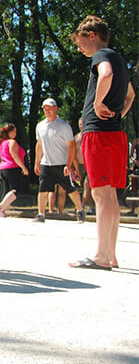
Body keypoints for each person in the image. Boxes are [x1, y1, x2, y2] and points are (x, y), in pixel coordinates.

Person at [69, 15, 135, 270]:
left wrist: (97, 104)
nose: (79, 47)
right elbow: (130, 95)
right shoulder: (120, 58)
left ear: (92, 35)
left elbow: (104, 75)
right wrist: (119, 113)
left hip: (99, 134)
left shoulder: (102, 56)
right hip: (116, 134)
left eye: (80, 41)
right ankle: (111, 254)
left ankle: (101, 256)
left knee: (100, 194)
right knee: (110, 197)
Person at [33, 98, 86, 223]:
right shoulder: (40, 126)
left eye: (50, 108)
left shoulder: (64, 126)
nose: (48, 111)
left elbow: (71, 146)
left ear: (56, 108)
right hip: (46, 164)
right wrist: (37, 162)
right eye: (45, 108)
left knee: (70, 189)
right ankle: (41, 214)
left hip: (62, 164)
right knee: (43, 189)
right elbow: (39, 145)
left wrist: (69, 165)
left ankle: (80, 210)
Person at [0, 123, 28, 217]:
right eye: (14, 131)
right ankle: (1, 207)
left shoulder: (2, 143)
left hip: (3, 168)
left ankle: (4, 209)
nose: (15, 133)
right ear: (10, 132)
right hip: (12, 168)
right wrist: (23, 167)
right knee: (16, 189)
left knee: (7, 190)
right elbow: (15, 156)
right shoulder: (11, 142)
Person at [74, 117, 94, 214]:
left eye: (83, 124)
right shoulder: (76, 138)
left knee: (87, 184)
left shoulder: (91, 136)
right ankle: (91, 207)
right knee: (86, 188)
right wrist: (74, 168)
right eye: (80, 124)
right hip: (80, 166)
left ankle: (81, 206)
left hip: (91, 165)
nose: (81, 126)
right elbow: (73, 154)